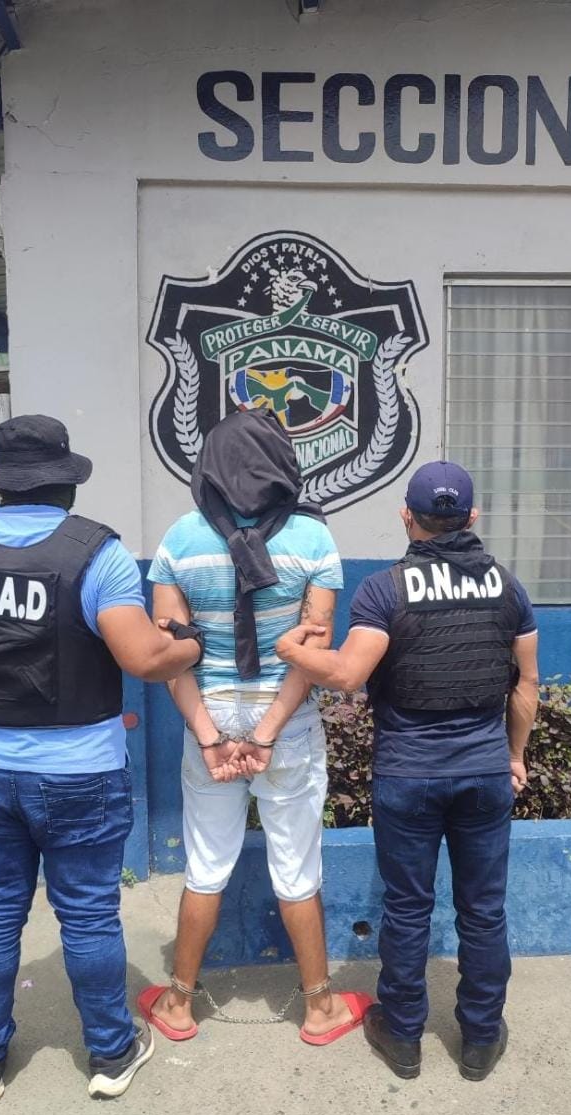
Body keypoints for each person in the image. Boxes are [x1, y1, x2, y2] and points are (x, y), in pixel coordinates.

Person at [0, 414, 203, 1104]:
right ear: (66, 484)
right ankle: (109, 1053)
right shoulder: (97, 555)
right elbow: (145, 658)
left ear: (1, 486)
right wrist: (189, 641)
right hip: (79, 773)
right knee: (89, 915)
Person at [276, 460, 539, 1081]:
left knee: (407, 907)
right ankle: (480, 1038)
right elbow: (525, 685)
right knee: (483, 909)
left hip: (408, 775)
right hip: (484, 774)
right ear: (471, 517)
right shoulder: (508, 587)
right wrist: (514, 756)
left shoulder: (385, 589)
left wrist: (290, 648)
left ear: (406, 517)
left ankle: (402, 1036)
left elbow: (346, 674)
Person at [139, 408, 373, 1045]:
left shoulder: (180, 539)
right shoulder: (313, 540)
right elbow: (312, 654)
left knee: (205, 864)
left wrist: (210, 735)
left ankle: (179, 1002)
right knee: (297, 867)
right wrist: (266, 730)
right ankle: (320, 1009)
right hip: (286, 721)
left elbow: (169, 656)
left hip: (207, 714)